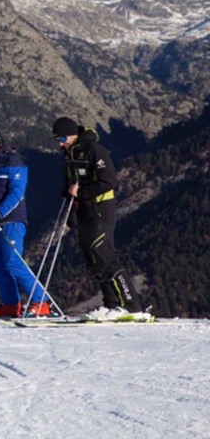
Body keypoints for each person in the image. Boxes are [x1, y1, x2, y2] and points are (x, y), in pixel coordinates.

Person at [52, 117, 146, 320]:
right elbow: (70, 183)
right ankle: (112, 304)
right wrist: (71, 203)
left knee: (103, 254)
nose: (60, 143)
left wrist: (81, 192)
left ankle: (132, 305)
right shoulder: (69, 154)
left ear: (73, 135)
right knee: (92, 258)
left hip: (101, 209)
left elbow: (108, 182)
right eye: (57, 139)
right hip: (83, 211)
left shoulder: (94, 150)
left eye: (62, 138)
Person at [0, 128, 49, 318]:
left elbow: (17, 192)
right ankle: (10, 305)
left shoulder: (14, 162)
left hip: (12, 221)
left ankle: (40, 302)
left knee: (12, 261)